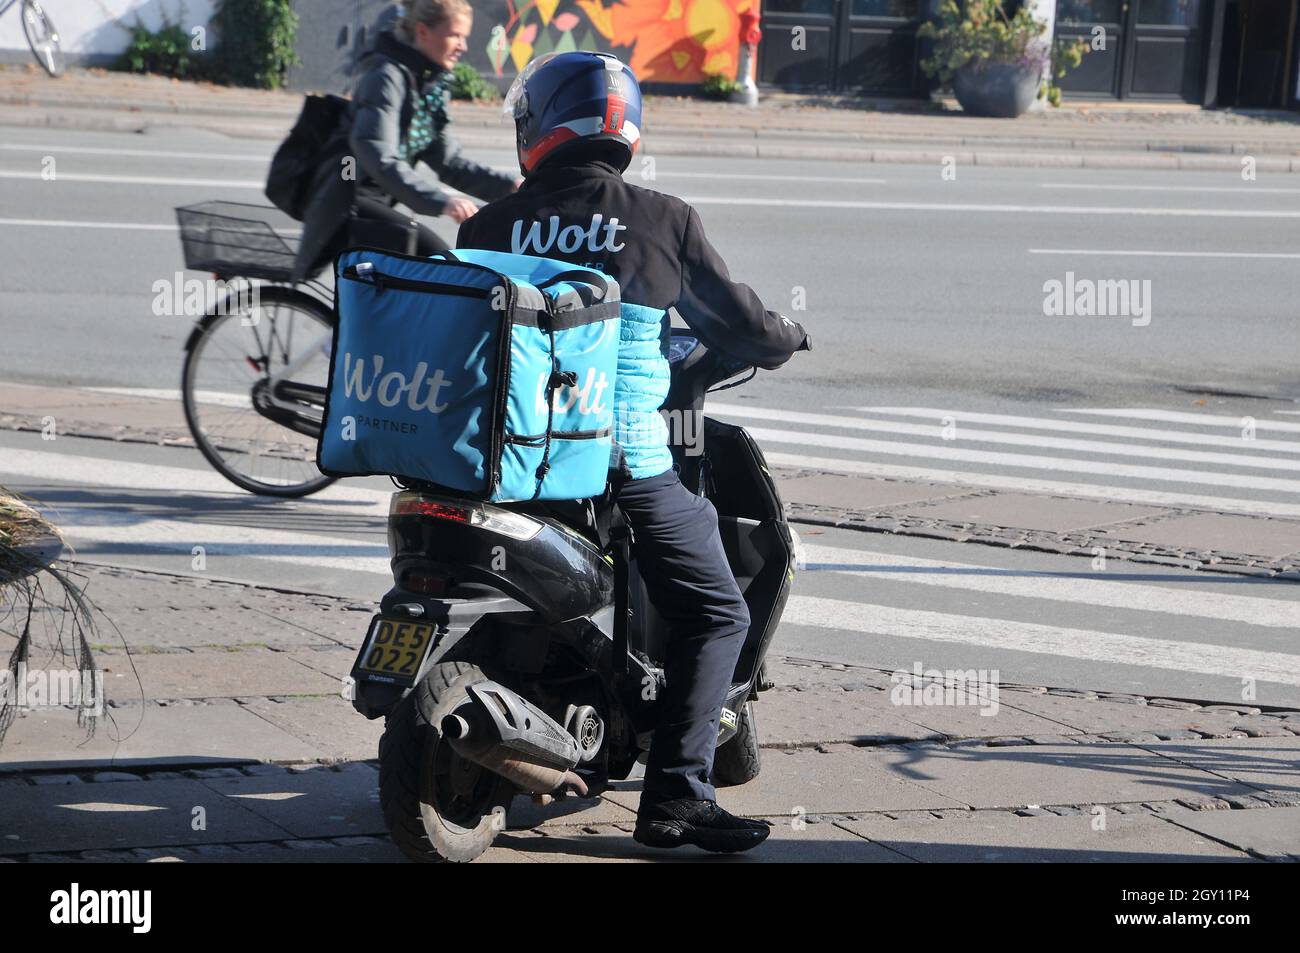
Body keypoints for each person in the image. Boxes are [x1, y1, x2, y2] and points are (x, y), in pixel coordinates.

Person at [457, 51, 811, 854]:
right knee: (717, 610)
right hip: (618, 466)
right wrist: (786, 335)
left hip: (496, 470)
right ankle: (676, 797)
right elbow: (743, 326)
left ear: (538, 127)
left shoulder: (486, 227)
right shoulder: (662, 219)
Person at [293, 0, 518, 281]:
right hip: (344, 200)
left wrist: (511, 188)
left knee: (425, 277)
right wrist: (442, 202)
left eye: (465, 37)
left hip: (374, 204)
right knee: (438, 264)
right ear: (423, 32)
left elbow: (448, 162)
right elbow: (378, 156)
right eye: (455, 35)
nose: (463, 46)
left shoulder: (427, 85)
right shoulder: (386, 77)